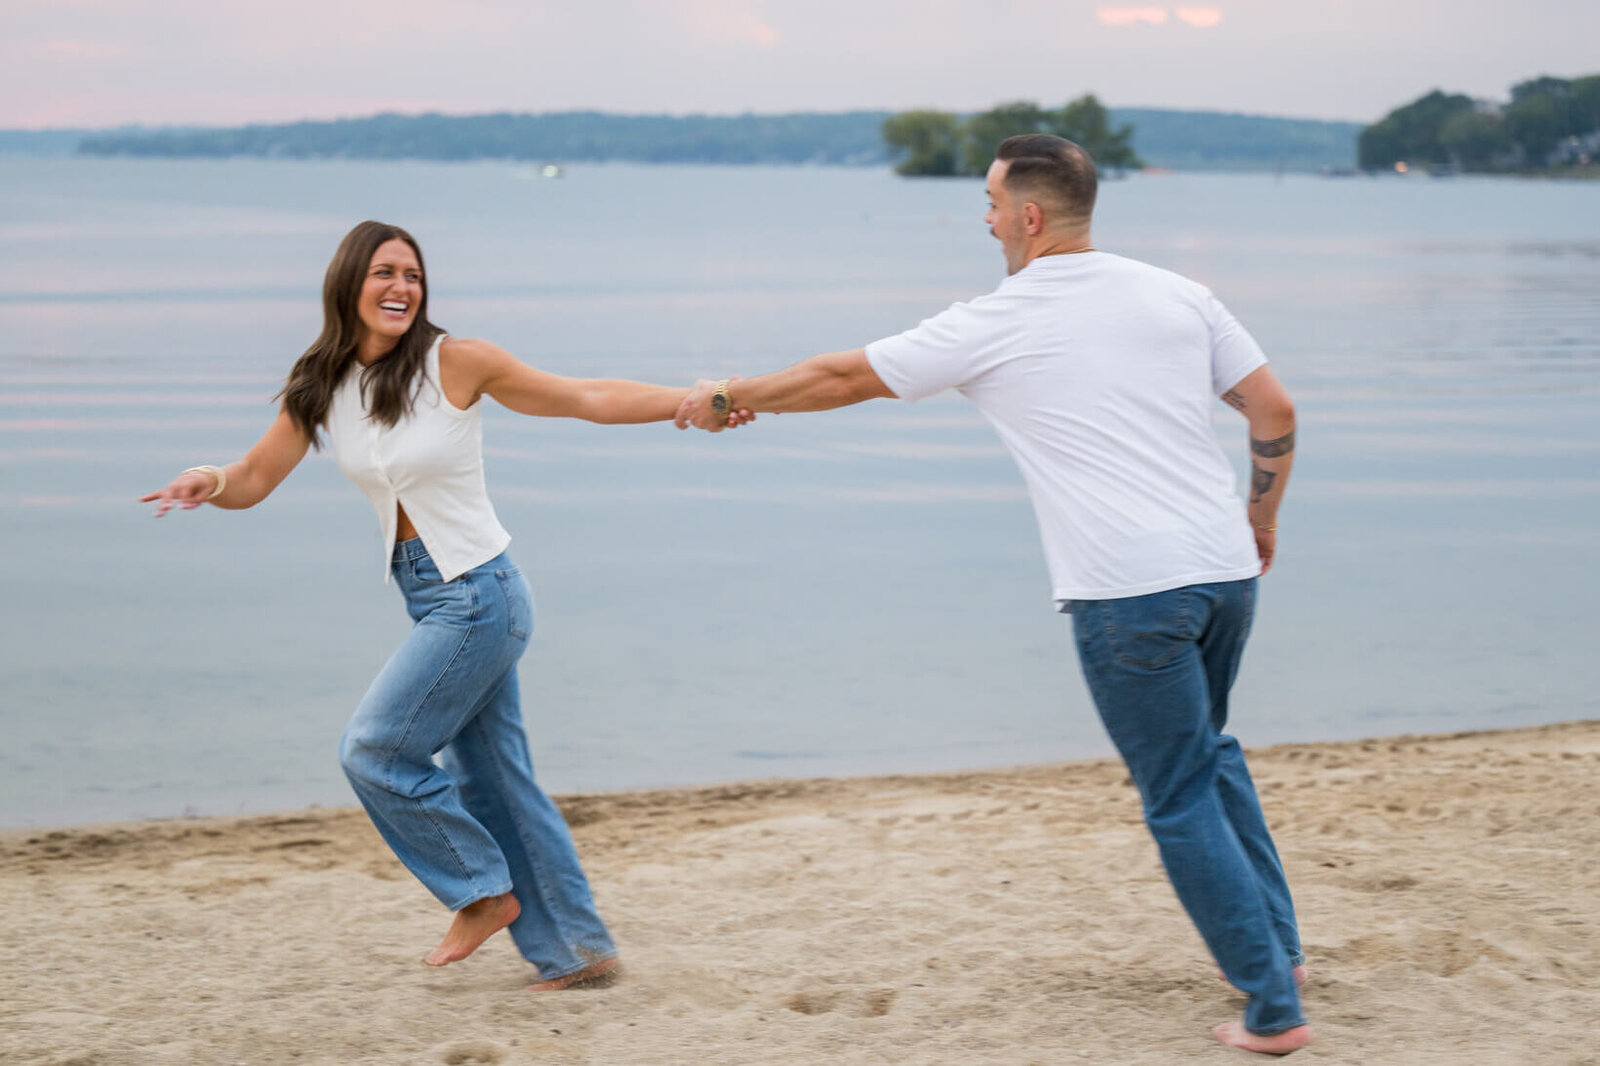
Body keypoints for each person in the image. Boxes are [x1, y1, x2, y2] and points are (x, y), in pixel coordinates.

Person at [674, 135, 1310, 1054]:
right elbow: (1274, 411)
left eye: (990, 201)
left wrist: (728, 395)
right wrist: (1262, 517)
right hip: (1223, 572)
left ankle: (1272, 1007)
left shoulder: (999, 320)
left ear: (1029, 216)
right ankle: (1279, 953)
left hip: (1130, 592)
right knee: (1209, 757)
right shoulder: (1179, 295)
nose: (984, 217)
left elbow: (842, 377)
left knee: (1176, 791)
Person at [141, 220, 718, 990]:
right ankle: (577, 954)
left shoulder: (456, 361)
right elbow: (254, 475)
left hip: (480, 596)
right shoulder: (322, 382)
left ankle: (480, 893)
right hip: (435, 598)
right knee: (497, 782)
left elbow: (583, 396)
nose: (401, 287)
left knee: (375, 749)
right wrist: (207, 481)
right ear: (349, 283)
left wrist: (689, 400)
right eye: (384, 272)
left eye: (412, 274)